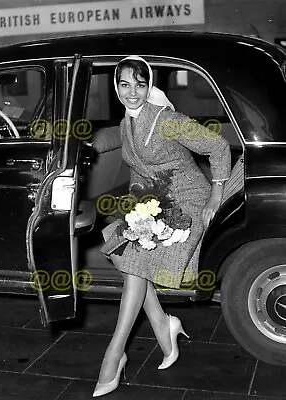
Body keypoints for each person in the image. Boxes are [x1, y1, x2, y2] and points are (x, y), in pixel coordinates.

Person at [93, 55, 231, 397]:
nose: (133, 93)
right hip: (155, 200)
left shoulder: (166, 119)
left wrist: (215, 197)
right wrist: (137, 212)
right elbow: (139, 172)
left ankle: (114, 354)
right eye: (125, 85)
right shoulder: (126, 123)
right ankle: (163, 324)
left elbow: (218, 146)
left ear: (149, 85)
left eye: (141, 85)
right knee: (126, 250)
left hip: (189, 198)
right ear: (116, 87)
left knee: (136, 263)